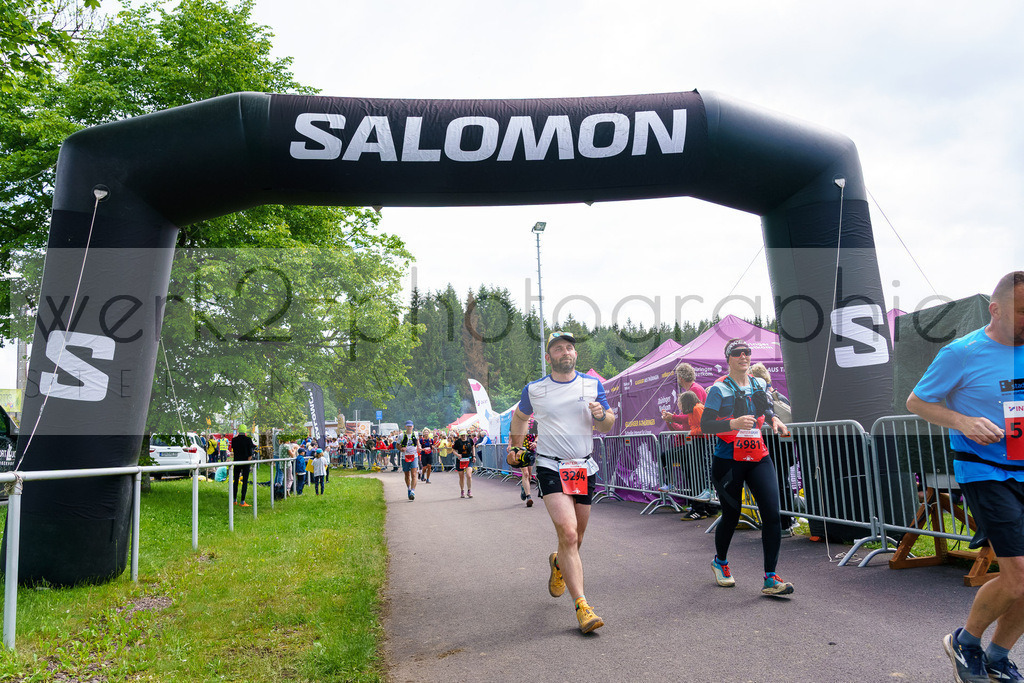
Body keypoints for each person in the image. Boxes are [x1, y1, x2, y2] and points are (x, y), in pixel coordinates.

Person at [907, 271, 1024, 683]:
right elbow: (918, 401)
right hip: (986, 471)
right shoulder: (962, 352)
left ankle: (997, 655)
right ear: (995, 310)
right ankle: (966, 642)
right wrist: (962, 420)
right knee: (1018, 575)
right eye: (1023, 312)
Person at [509, 331, 616, 634]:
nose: (565, 352)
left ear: (575, 354)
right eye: (558, 349)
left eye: (569, 348)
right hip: (550, 467)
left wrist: (601, 415)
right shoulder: (535, 390)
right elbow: (519, 418)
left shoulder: (592, 385)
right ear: (549, 357)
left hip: (583, 467)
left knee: (576, 540)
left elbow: (609, 423)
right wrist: (516, 446)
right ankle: (583, 607)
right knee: (568, 534)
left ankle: (559, 564)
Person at [700, 338, 793, 596]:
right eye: (738, 353)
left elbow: (766, 406)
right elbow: (706, 425)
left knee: (772, 513)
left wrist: (774, 420)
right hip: (728, 460)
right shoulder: (717, 390)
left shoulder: (759, 383)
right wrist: (733, 423)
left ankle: (770, 578)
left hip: (758, 455)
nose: (744, 356)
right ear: (728, 359)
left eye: (747, 352)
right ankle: (720, 562)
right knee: (732, 515)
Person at [662, 391, 716, 520]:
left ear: (685, 402)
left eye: (679, 402)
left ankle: (702, 508)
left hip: (701, 444)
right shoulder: (692, 411)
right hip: (695, 444)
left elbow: (704, 427)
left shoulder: (697, 408)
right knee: (695, 474)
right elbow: (685, 428)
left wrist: (690, 432)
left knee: (698, 474)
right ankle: (706, 508)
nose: (678, 405)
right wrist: (671, 420)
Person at [231, 425, 255, 507]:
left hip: (236, 462)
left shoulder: (234, 440)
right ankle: (242, 501)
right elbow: (250, 453)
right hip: (245, 462)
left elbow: (234, 451)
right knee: (245, 481)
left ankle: (234, 500)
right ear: (245, 431)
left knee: (236, 480)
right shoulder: (248, 440)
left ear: (238, 430)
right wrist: (248, 461)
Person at [398, 421, 421, 500]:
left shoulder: (416, 434)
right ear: (405, 427)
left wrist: (419, 447)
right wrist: (401, 449)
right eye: (408, 426)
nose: (409, 428)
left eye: (410, 426)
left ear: (413, 427)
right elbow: (397, 445)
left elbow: (417, 442)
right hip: (405, 457)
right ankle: (409, 488)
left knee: (414, 474)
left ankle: (413, 491)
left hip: (414, 456)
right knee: (407, 475)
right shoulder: (401, 436)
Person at [452, 429, 475, 498]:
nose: (463, 437)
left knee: (469, 475)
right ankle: (462, 490)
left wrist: (474, 456)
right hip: (460, 460)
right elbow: (453, 450)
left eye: (464, 435)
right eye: (462, 436)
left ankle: (469, 490)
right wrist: (457, 455)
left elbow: (473, 447)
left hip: (469, 459)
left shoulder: (470, 440)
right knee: (461, 477)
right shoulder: (457, 442)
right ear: (460, 436)